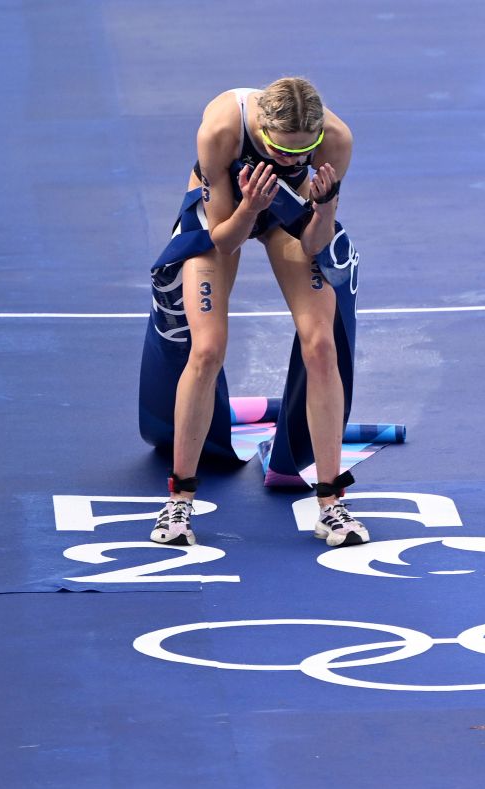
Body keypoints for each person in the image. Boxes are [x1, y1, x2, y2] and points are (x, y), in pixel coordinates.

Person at [149, 77, 369, 549]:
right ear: (262, 132)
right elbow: (225, 240)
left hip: (287, 216)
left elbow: (314, 241)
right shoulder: (221, 131)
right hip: (230, 210)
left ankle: (331, 503)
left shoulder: (336, 140)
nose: (292, 160)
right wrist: (250, 205)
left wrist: (325, 204)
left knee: (321, 343)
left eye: (302, 151)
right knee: (206, 349)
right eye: (280, 150)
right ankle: (179, 500)